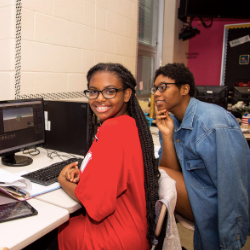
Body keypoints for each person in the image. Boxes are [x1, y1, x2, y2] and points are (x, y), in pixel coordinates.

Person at [57, 63, 159, 250]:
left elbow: (97, 204)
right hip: (136, 233)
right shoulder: (130, 124)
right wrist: (86, 177)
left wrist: (62, 180)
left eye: (110, 91)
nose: (100, 99)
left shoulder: (112, 130)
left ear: (127, 94)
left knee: (49, 232)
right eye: (94, 92)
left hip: (112, 239)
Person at [151, 63, 250, 250]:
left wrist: (231, 241)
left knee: (153, 175)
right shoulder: (172, 121)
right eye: (155, 88)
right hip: (196, 194)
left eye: (163, 87)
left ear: (184, 89)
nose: (156, 93)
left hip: (218, 207)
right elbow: (169, 173)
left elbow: (234, 187)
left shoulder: (213, 122)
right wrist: (166, 134)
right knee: (154, 174)